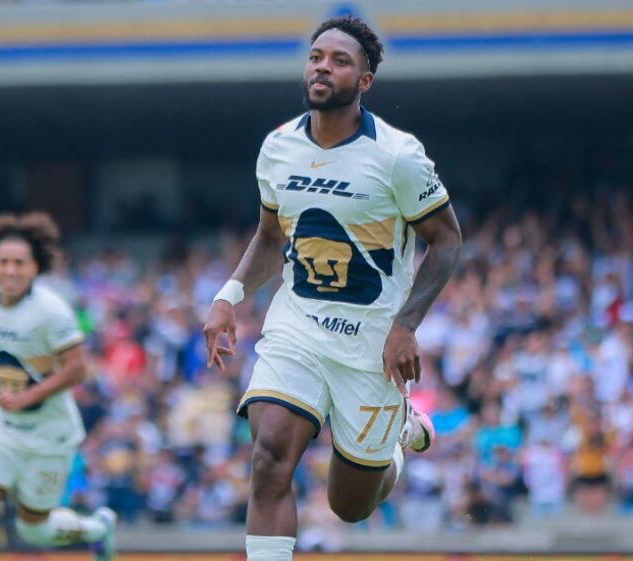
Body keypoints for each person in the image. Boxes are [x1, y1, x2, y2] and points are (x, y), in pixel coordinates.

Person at [202, 15, 462, 561]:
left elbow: (448, 241)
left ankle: (395, 441)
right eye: (317, 56)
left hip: (371, 344)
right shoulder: (277, 147)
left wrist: (405, 326)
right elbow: (271, 236)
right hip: (297, 326)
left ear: (364, 81)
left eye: (340, 61)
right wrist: (229, 296)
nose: (323, 67)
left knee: (350, 505)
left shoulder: (398, 155)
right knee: (269, 452)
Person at [0, 213, 115, 561]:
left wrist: (29, 395)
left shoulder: (51, 311)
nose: (11, 269)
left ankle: (98, 528)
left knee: (34, 530)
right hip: (2, 428)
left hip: (49, 433)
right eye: (3, 262)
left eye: (20, 262)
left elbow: (77, 369)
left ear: (34, 268)